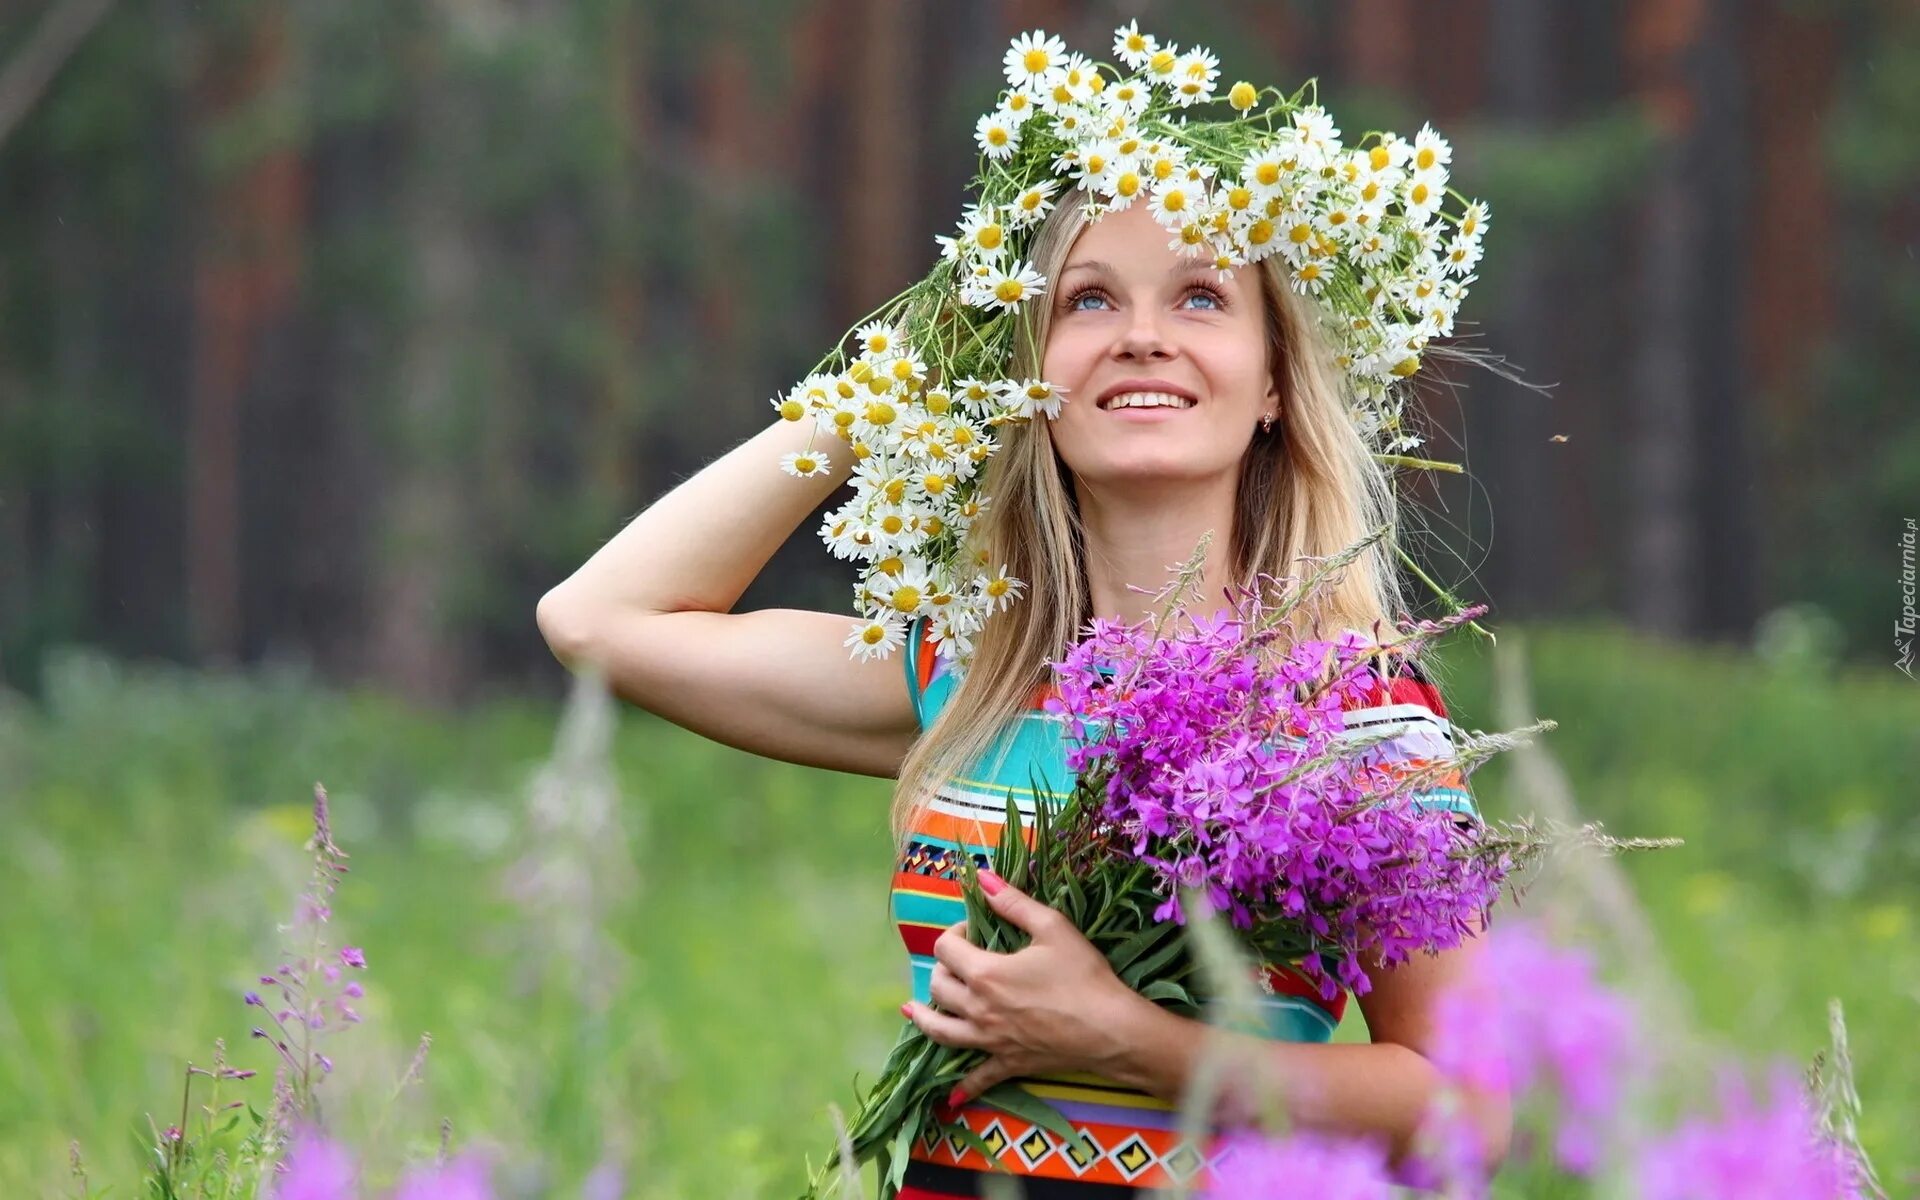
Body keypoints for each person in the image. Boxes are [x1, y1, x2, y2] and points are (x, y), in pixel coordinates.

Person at [537, 180, 1510, 1193]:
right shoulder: (972, 675)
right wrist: (891, 379)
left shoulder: (1356, 717)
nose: (1140, 336)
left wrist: (1131, 1041)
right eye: (1086, 301)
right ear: (1027, 374)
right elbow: (597, 621)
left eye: (1201, 297)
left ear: (1273, 380)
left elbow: (1472, 1112)